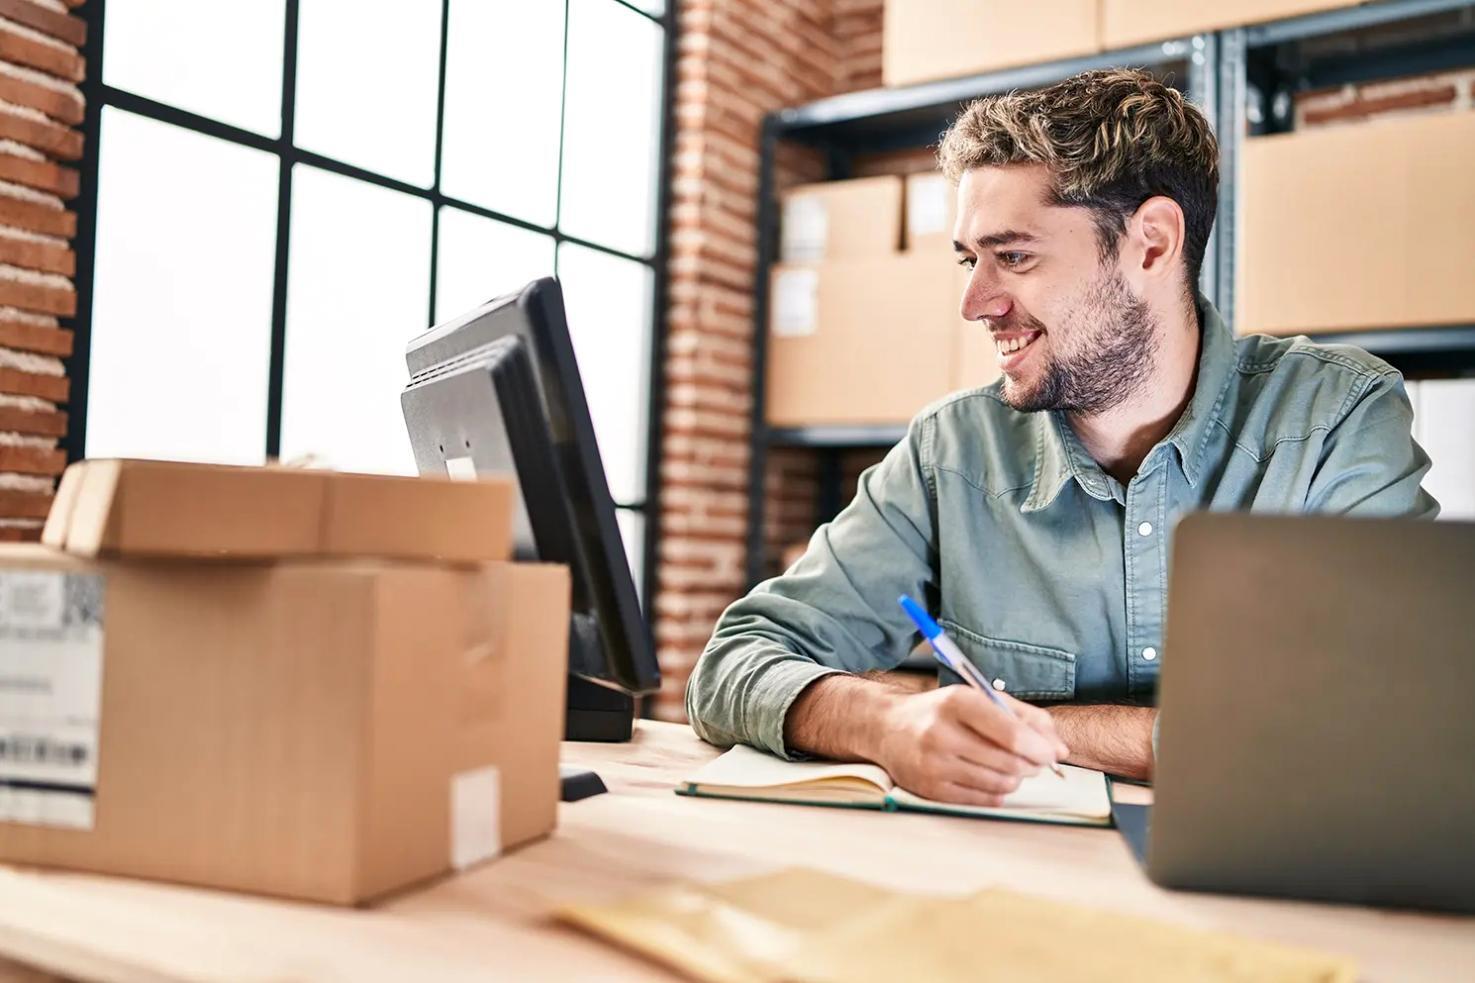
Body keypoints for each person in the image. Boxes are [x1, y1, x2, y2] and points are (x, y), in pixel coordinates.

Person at [685, 68, 1438, 803]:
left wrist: (1043, 730)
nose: (975, 303)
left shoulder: (1332, 418)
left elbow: (1397, 720)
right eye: (969, 260)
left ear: (1149, 243)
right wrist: (885, 719)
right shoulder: (952, 451)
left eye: (1012, 255)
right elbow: (732, 665)